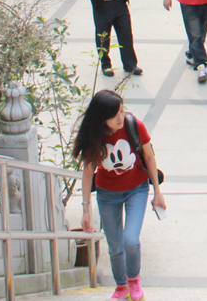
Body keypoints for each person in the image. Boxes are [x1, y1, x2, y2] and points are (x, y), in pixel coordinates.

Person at [74, 89, 166, 301]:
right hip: (107, 194)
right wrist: (85, 209)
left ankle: (134, 281)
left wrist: (158, 193)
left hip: (137, 189)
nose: (120, 117)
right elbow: (88, 172)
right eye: (115, 114)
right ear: (101, 118)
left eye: (122, 110)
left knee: (130, 240)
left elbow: (150, 158)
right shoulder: (93, 136)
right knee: (115, 246)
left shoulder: (134, 125)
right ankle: (121, 286)